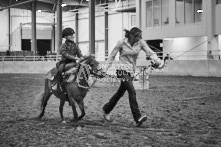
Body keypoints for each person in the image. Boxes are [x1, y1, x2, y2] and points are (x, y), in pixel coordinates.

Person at [102, 27, 164, 127]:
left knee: (120, 93)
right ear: (132, 36)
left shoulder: (141, 43)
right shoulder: (121, 43)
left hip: (131, 71)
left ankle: (106, 109)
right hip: (121, 70)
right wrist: (105, 69)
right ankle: (137, 117)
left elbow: (150, 52)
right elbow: (112, 56)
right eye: (139, 36)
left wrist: (158, 61)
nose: (140, 38)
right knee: (132, 91)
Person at [52, 27, 84, 92]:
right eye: (70, 35)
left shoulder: (75, 45)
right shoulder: (63, 46)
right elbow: (64, 54)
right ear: (65, 37)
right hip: (64, 62)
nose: (72, 36)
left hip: (73, 62)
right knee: (60, 70)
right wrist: (74, 57)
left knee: (83, 68)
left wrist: (81, 57)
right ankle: (56, 83)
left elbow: (79, 53)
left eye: (72, 35)